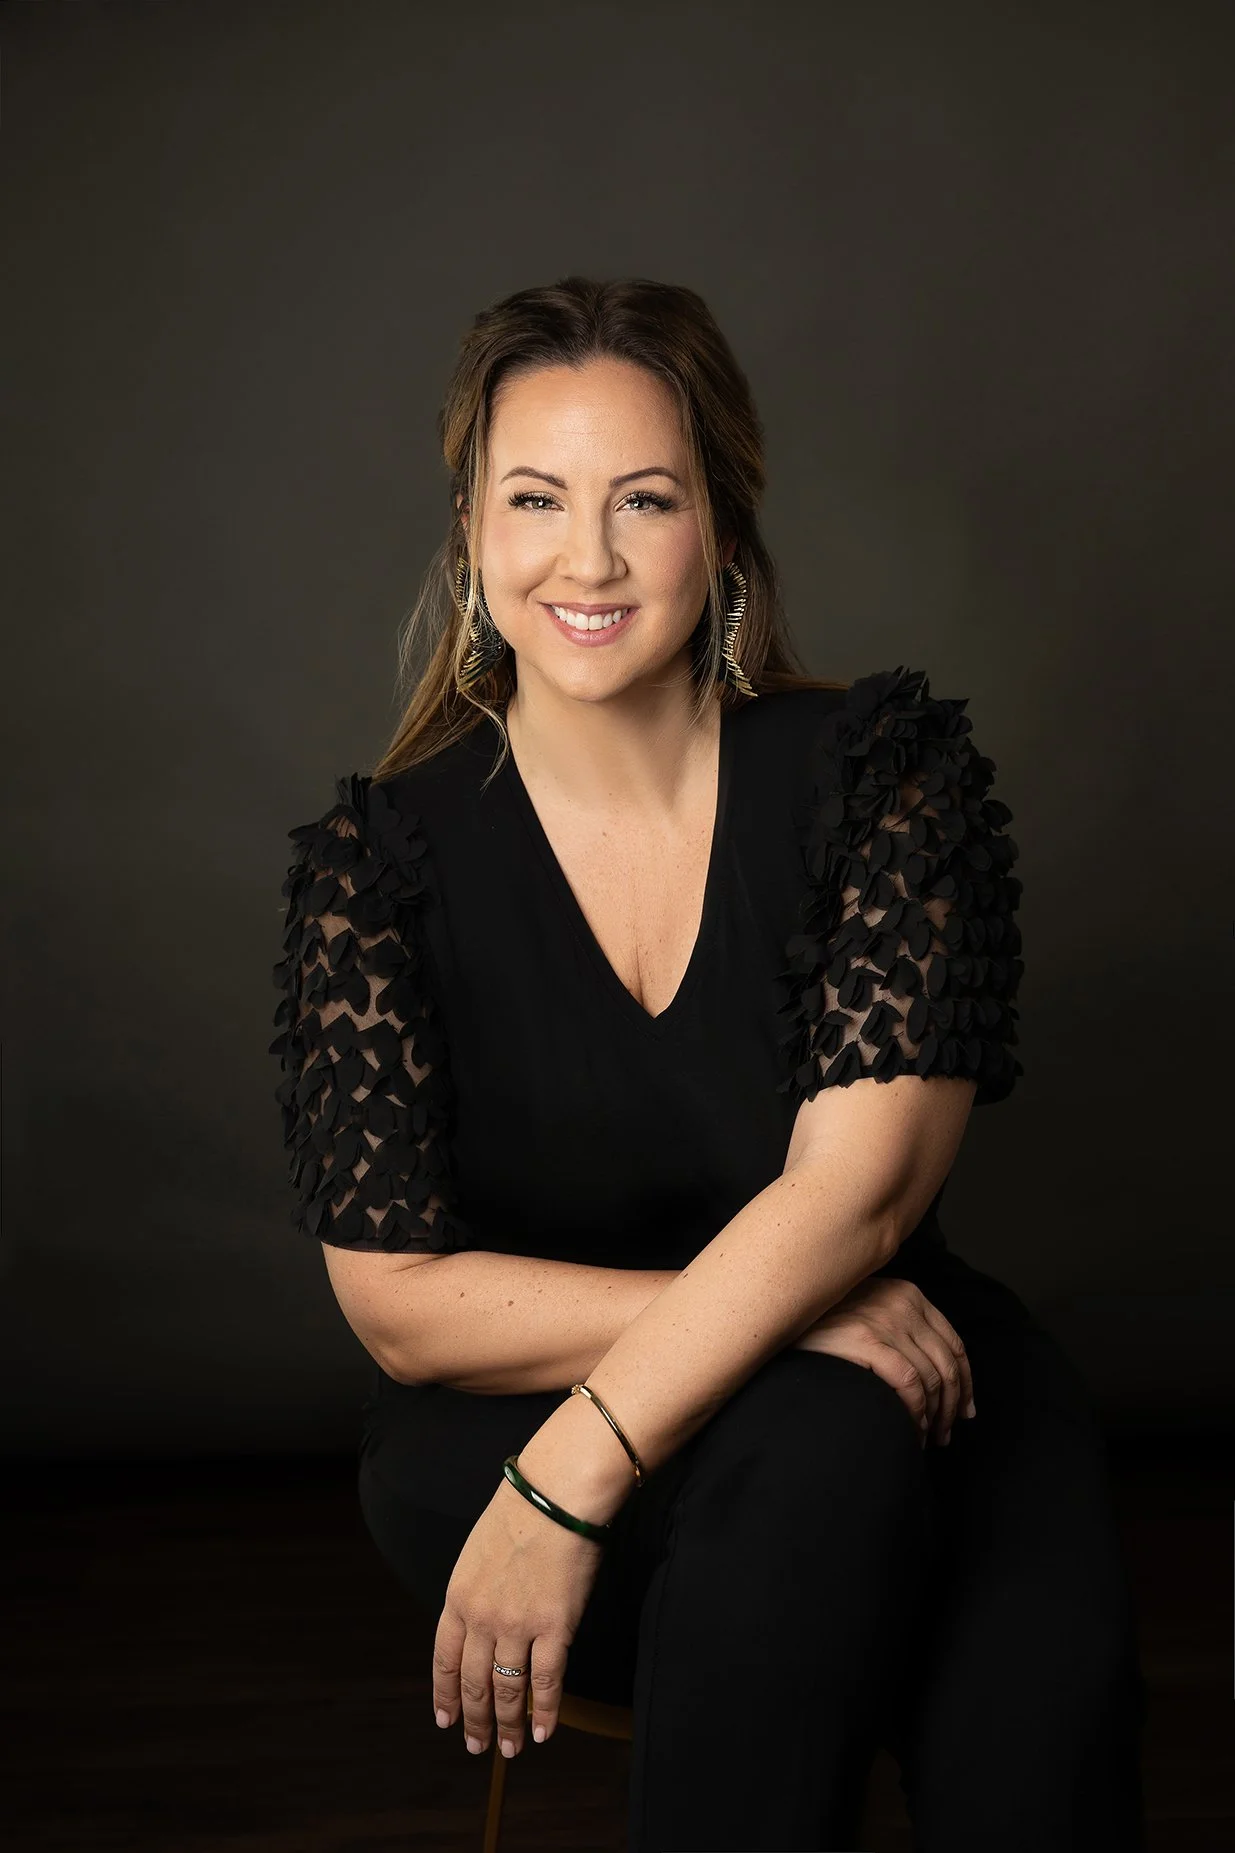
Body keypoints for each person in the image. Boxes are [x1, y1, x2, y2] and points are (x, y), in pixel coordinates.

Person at [271, 277, 1147, 1852]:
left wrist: (579, 1481)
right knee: (821, 1440)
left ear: (722, 533)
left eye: (644, 501)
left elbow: (855, 1209)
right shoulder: (380, 860)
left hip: (916, 1383)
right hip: (513, 1414)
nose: (585, 559)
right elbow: (400, 1305)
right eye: (535, 499)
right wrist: (631, 1428)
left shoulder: (883, 776)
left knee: (1020, 1666)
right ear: (470, 530)